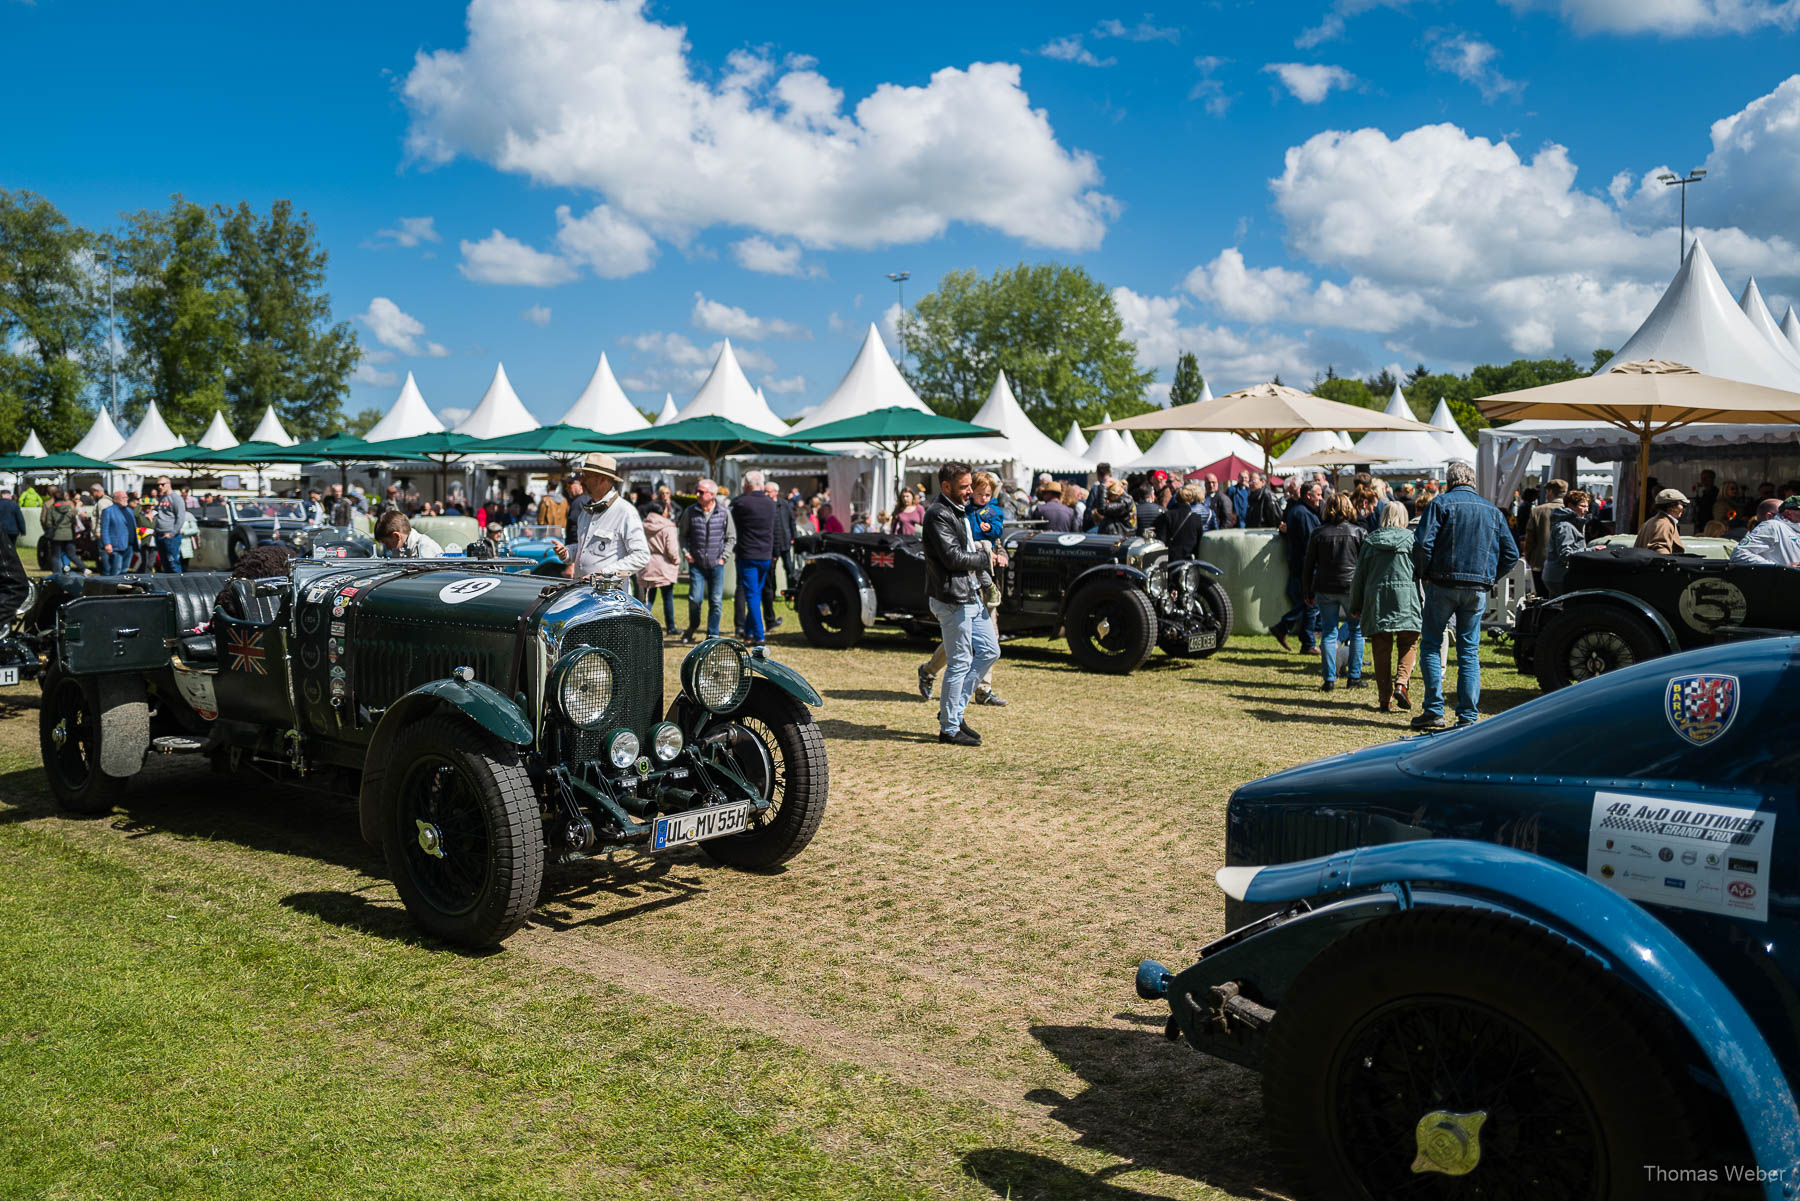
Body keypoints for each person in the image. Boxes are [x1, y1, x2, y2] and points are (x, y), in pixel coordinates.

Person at [1411, 460, 1519, 730]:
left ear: (1449, 481)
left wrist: (1424, 572)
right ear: (1473, 482)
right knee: (1468, 651)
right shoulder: (1492, 511)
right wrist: (1490, 577)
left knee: (1432, 645)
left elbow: (1423, 544)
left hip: (1442, 583)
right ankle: (1468, 716)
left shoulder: (1440, 504)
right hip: (1476, 588)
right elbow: (1512, 555)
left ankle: (1434, 709)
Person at [921, 462, 1001, 746]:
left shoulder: (959, 510)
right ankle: (949, 728)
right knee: (959, 662)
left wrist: (985, 581)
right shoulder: (937, 514)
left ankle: (953, 711)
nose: (970, 491)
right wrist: (985, 557)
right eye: (965, 486)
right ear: (946, 487)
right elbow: (953, 557)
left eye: (970, 485)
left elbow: (967, 548)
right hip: (951, 598)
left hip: (970, 594)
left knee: (990, 651)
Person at [1350, 500, 1421, 713]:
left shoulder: (1371, 541)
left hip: (1377, 599)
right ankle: (1401, 683)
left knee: (1381, 649)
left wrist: (1355, 604)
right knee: (1409, 641)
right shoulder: (1412, 540)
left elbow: (1359, 576)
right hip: (1406, 598)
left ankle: (1384, 699)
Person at [554, 452, 650, 581]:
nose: (580, 480)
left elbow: (641, 556)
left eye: (585, 476)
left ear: (602, 480)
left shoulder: (625, 511)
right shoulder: (587, 510)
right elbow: (588, 548)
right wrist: (568, 552)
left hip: (610, 596)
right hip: (582, 592)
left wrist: (603, 574)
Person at [1304, 494, 1366, 692]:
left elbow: (1308, 565)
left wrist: (1307, 590)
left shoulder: (1318, 533)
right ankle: (1354, 677)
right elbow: (1365, 566)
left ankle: (1329, 679)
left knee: (1329, 633)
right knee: (1357, 631)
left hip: (1325, 587)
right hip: (1351, 588)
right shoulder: (1359, 532)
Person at [1271, 481, 1322, 653]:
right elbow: (1310, 543)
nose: (1321, 499)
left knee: (1308, 603)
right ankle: (1304, 640)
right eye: (1318, 495)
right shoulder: (1304, 513)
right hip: (1306, 565)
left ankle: (1290, 631)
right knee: (1310, 603)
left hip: (1300, 564)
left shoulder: (1299, 511)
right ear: (1308, 495)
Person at [729, 470, 777, 647]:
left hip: (747, 554)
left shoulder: (740, 503)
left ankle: (759, 635)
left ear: (747, 484)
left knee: (752, 596)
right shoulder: (771, 504)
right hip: (765, 555)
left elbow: (733, 527)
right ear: (762, 484)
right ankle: (749, 634)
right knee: (755, 593)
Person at [638, 499, 681, 635]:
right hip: (664, 565)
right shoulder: (668, 527)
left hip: (647, 564)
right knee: (667, 598)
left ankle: (641, 624)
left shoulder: (642, 525)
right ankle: (671, 627)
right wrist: (676, 561)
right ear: (663, 510)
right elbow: (672, 549)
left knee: (648, 598)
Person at [1520, 479, 1568, 593]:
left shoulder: (1538, 511)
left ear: (1550, 492)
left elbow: (1530, 539)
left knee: (1543, 600)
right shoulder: (1571, 510)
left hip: (1541, 562)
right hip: (1565, 563)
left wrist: (1530, 558)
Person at [1541, 490, 1592, 595]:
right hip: (1561, 576)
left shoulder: (1568, 524)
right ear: (1570, 506)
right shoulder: (1565, 526)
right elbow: (1565, 555)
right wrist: (1592, 550)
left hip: (1556, 575)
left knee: (1557, 607)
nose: (1586, 510)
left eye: (1587, 506)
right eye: (1583, 506)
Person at [1730, 496, 1800, 566]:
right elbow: (1739, 554)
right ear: (1788, 513)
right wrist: (1779, 568)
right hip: (1780, 576)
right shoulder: (1772, 526)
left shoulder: (1795, 530)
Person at [1156, 482, 1210, 559]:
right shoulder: (1196, 518)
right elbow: (1199, 542)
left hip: (1171, 559)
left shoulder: (1167, 515)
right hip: (1190, 559)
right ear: (1191, 500)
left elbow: (1161, 540)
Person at [149, 476, 187, 573]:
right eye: (158, 485)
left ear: (169, 484)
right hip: (160, 535)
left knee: (173, 563)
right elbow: (160, 516)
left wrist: (171, 533)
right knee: (165, 565)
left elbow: (181, 517)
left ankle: (177, 587)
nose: (160, 487)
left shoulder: (176, 498)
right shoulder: (162, 498)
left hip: (170, 536)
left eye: (162, 484)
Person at [1635, 488, 1688, 554]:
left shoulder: (1650, 522)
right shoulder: (1664, 524)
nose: (1683, 508)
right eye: (1682, 504)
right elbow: (1661, 552)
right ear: (1672, 507)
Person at [374, 510, 444, 558]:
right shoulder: (404, 546)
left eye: (386, 543)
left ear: (397, 536)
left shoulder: (424, 547)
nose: (388, 548)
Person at [44, 487, 82, 573]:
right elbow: (75, 517)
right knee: (70, 553)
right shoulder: (70, 506)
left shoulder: (50, 506)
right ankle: (70, 567)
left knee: (55, 555)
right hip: (69, 534)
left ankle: (57, 573)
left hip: (56, 534)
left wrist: (49, 530)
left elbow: (47, 522)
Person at [100, 489, 134, 574]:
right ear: (115, 499)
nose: (126, 499)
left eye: (126, 497)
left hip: (129, 545)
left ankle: (122, 586)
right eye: (123, 497)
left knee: (125, 569)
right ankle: (113, 586)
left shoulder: (129, 510)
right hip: (117, 545)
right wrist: (107, 544)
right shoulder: (108, 511)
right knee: (116, 570)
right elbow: (104, 529)